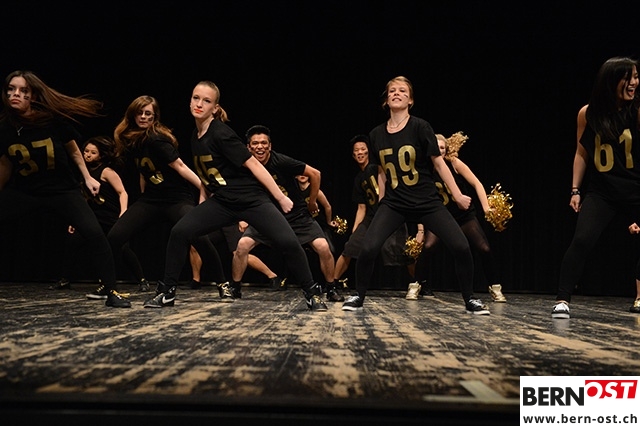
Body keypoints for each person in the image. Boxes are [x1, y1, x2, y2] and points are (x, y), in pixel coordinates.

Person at [143, 81, 326, 310]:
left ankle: (311, 292)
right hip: (222, 202)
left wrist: (279, 197)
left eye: (206, 101)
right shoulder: (196, 136)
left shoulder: (221, 133)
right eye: (196, 98)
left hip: (251, 200)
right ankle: (167, 292)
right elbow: (208, 176)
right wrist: (202, 202)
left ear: (215, 108)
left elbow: (254, 165)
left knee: (288, 242)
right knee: (180, 232)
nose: (199, 104)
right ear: (190, 101)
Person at [341, 75, 489, 315]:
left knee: (461, 246)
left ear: (410, 100)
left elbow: (439, 164)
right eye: (392, 91)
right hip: (395, 203)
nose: (396, 93)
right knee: (368, 248)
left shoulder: (420, 127)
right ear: (386, 100)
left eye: (402, 91)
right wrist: (382, 199)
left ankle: (470, 299)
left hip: (426, 201)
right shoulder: (376, 134)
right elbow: (381, 171)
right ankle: (358, 295)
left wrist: (457, 195)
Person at [0, 70, 130, 307]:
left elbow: (73, 151)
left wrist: (87, 178)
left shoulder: (51, 120)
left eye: (22, 90)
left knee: (94, 233)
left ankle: (111, 291)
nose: (15, 94)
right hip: (27, 190)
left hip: (62, 190)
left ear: (33, 95)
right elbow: (6, 164)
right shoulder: (5, 127)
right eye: (11, 89)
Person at [101, 95, 226, 297]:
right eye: (140, 113)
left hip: (176, 199)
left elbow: (180, 166)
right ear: (132, 115)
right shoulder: (132, 139)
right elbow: (144, 170)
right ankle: (108, 286)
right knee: (114, 237)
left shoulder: (156, 138)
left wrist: (206, 189)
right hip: (151, 200)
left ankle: (222, 283)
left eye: (148, 113)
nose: (143, 117)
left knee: (198, 237)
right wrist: (142, 196)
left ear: (154, 117)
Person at [552, 57, 640, 319]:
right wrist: (575, 189)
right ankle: (562, 299)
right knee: (581, 240)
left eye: (636, 77)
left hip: (636, 190)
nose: (634, 83)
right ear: (611, 81)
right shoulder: (588, 113)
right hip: (603, 192)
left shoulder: (637, 111)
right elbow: (582, 153)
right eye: (628, 78)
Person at [231, 125, 343, 302]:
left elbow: (315, 174)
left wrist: (312, 201)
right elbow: (240, 192)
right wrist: (243, 217)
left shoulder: (280, 161)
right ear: (248, 147)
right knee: (242, 245)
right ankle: (235, 288)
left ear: (270, 146)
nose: (260, 147)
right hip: (266, 217)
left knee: (323, 247)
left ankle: (331, 288)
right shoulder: (245, 166)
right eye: (255, 143)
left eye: (264, 143)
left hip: (296, 216)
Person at [407, 133, 506, 303]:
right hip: (439, 217)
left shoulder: (453, 163)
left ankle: (495, 287)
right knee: (428, 246)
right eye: (436, 147)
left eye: (443, 148)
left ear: (446, 150)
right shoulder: (423, 170)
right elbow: (421, 201)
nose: (440, 150)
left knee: (484, 248)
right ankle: (415, 284)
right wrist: (420, 230)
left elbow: (476, 183)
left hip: (463, 215)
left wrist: (486, 208)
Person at [52, 136, 144, 291]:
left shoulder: (106, 171)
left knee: (122, 249)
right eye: (86, 151)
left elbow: (122, 192)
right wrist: (75, 219)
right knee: (74, 242)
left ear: (101, 156)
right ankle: (65, 279)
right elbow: (84, 198)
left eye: (93, 152)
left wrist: (123, 212)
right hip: (94, 216)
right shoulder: (84, 173)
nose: (87, 155)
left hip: (110, 217)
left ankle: (142, 280)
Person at [333, 134, 417, 292]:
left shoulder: (376, 167)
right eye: (356, 150)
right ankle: (333, 283)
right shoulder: (359, 179)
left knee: (403, 252)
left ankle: (418, 282)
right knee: (350, 247)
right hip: (371, 218)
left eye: (363, 149)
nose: (360, 152)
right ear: (353, 155)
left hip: (390, 214)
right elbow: (361, 208)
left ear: (368, 152)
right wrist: (355, 230)